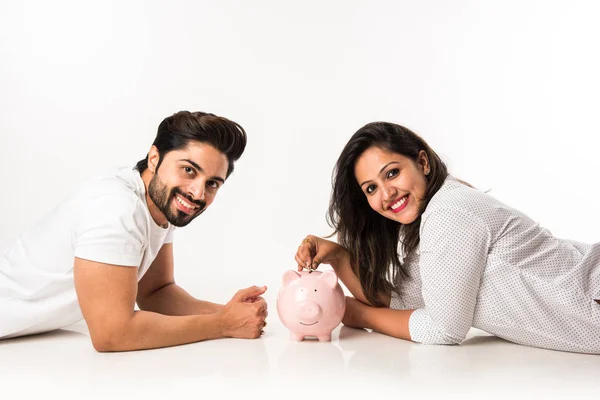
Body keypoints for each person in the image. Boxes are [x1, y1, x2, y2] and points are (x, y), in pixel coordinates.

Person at [295, 121, 600, 354]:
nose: (387, 193)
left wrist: (359, 314)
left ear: (423, 163)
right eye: (371, 188)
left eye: (391, 173)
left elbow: (443, 328)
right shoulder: (435, 218)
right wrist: (338, 256)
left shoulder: (449, 214)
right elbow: (403, 302)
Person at [0, 111, 268, 351]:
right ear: (154, 158)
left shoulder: (159, 201)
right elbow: (112, 333)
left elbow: (156, 292)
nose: (197, 192)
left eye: (212, 184)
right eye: (188, 170)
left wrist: (231, 313)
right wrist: (222, 325)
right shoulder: (117, 209)